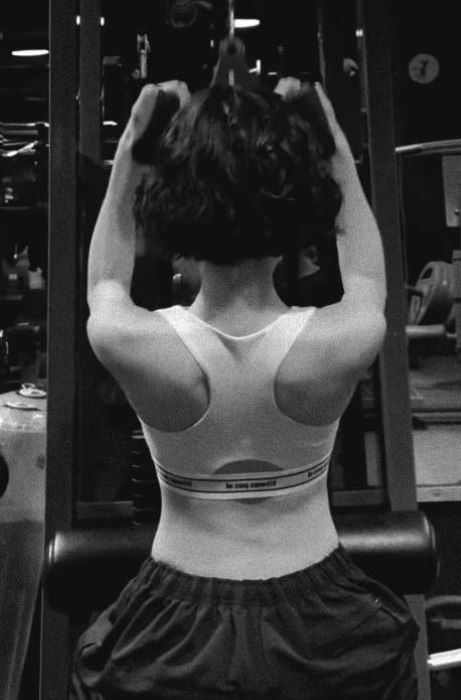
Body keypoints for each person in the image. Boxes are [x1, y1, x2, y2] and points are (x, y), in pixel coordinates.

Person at [70, 78, 419, 699]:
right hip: (325, 630)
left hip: (172, 634)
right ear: (301, 211)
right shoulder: (343, 339)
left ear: (174, 209)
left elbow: (105, 282)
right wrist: (332, 141)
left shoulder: (133, 341)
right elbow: (367, 272)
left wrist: (131, 150)